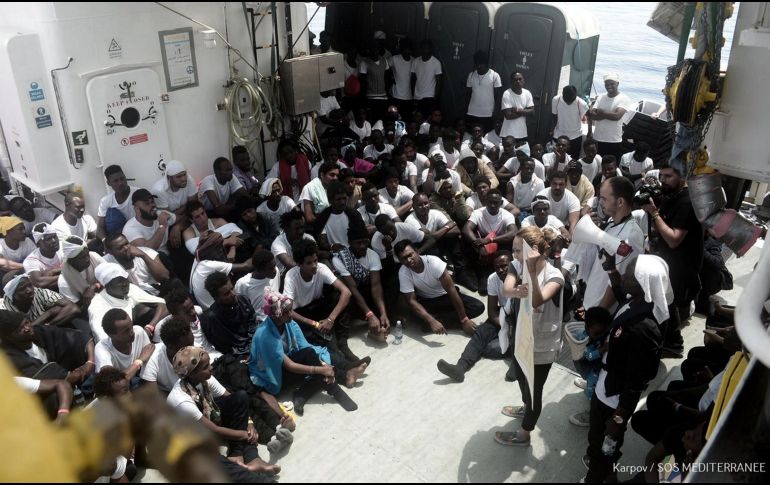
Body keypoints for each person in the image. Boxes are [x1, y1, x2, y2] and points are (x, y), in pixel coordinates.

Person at [582, 255, 667, 483]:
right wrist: (612, 272)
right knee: (596, 439)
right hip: (605, 386)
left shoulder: (645, 328)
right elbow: (622, 300)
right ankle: (606, 472)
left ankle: (598, 476)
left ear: (642, 281)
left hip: (614, 401)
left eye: (629, 273)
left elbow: (637, 378)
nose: (625, 274)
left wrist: (619, 418)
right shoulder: (637, 301)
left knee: (606, 448)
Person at [494, 226, 564, 447]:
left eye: (517, 250)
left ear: (533, 250)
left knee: (534, 390)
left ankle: (524, 434)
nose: (514, 256)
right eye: (514, 250)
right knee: (523, 380)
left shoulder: (555, 276)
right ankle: (526, 407)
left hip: (542, 344)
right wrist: (516, 292)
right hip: (522, 337)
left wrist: (532, 272)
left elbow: (537, 300)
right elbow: (506, 289)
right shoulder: (517, 265)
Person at [167, 346, 280, 476]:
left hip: (208, 418)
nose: (211, 368)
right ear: (191, 373)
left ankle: (245, 457)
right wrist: (244, 434)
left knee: (241, 397)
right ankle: (245, 457)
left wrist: (249, 422)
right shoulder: (181, 400)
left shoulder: (204, 378)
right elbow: (214, 429)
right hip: (191, 438)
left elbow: (233, 399)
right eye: (205, 367)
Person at [249, 287, 359, 416]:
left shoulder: (288, 322)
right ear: (276, 315)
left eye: (291, 310)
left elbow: (305, 347)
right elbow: (289, 365)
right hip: (273, 376)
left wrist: (322, 365)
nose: (291, 314)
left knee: (311, 354)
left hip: (288, 364)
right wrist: (321, 370)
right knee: (316, 366)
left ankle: (302, 394)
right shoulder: (265, 336)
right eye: (286, 312)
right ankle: (337, 387)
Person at [642, 163, 704, 357]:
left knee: (668, 301)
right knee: (664, 300)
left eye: (668, 176)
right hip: (668, 261)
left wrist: (654, 213)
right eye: (661, 176)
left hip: (682, 265)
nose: (663, 181)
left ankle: (674, 344)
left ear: (683, 177)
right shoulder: (670, 195)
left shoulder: (688, 202)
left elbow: (674, 239)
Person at [283, 239, 369, 375]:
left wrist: (330, 319)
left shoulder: (321, 269)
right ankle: (347, 366)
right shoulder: (291, 277)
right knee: (322, 342)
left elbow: (346, 292)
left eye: (316, 260)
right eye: (309, 263)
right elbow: (288, 310)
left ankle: (343, 345)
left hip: (318, 307)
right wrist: (313, 323)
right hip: (302, 316)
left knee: (340, 300)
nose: (314, 265)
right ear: (299, 264)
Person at [436, 250, 512, 382]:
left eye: (505, 265)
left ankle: (518, 364)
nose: (501, 270)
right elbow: (492, 313)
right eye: (497, 267)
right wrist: (506, 327)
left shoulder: (523, 278)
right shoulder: (493, 279)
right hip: (504, 314)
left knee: (494, 348)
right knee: (481, 334)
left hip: (524, 318)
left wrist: (515, 329)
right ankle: (460, 368)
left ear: (513, 264)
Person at [575, 176, 646, 312]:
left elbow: (617, 282)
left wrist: (599, 313)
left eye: (604, 198)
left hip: (605, 312)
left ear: (620, 202)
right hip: (592, 304)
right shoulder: (610, 225)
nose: (600, 202)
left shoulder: (631, 236)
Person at [395, 240, 483, 335]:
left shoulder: (433, 262)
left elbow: (451, 290)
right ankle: (439, 321)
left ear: (417, 251)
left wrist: (464, 319)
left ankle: (442, 321)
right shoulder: (403, 272)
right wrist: (431, 320)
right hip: (428, 301)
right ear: (400, 261)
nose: (408, 260)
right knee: (413, 315)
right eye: (404, 258)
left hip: (446, 296)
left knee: (478, 307)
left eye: (410, 255)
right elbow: (411, 301)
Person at [0, 309, 95, 384]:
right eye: (20, 329)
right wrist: (80, 373)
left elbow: (82, 338)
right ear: (9, 337)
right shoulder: (10, 358)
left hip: (79, 374)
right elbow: (69, 378)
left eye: (26, 323)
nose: (27, 329)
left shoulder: (40, 332)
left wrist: (90, 362)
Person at [332, 222, 391, 342]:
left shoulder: (372, 255)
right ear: (350, 243)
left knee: (388, 288)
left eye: (365, 242)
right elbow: (352, 288)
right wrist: (369, 315)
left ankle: (380, 321)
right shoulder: (339, 258)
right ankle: (369, 323)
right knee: (341, 298)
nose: (363, 246)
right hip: (353, 295)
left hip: (367, 290)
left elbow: (376, 286)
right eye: (358, 243)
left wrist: (382, 312)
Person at [88, 263, 168, 343]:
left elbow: (164, 306)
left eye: (125, 279)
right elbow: (105, 340)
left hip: (138, 331)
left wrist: (149, 328)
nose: (125, 284)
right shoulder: (97, 306)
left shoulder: (130, 289)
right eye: (119, 282)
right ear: (107, 286)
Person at [462, 189, 518, 295]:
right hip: (482, 242)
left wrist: (490, 240)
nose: (493, 205)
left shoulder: (507, 215)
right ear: (486, 201)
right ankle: (482, 275)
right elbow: (466, 229)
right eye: (490, 202)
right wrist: (480, 246)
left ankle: (504, 275)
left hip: (498, 241)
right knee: (466, 240)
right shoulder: (478, 212)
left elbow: (513, 232)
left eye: (496, 202)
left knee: (508, 243)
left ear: (501, 203)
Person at [0, 273, 85, 335]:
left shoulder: (38, 292)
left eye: (29, 285)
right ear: (12, 295)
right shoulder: (3, 310)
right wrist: (49, 313)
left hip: (43, 333)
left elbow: (74, 309)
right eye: (22, 289)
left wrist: (46, 326)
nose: (29, 290)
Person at [153, 286, 221, 362]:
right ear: (175, 315)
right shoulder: (161, 327)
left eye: (192, 307)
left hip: (215, 355)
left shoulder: (198, 311)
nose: (193, 312)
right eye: (188, 312)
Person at [200, 272, 258, 359]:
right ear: (216, 298)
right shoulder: (211, 319)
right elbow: (225, 347)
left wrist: (254, 345)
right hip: (238, 357)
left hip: (255, 345)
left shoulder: (243, 300)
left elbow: (253, 325)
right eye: (227, 293)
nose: (233, 294)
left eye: (232, 288)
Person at [190, 232, 253, 310]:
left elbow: (227, 260)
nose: (221, 251)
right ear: (211, 250)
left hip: (211, 307)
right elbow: (246, 266)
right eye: (219, 249)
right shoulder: (209, 265)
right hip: (218, 309)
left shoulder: (199, 258)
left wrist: (232, 246)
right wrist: (260, 251)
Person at [94, 308, 155, 386]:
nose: (132, 332)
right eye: (125, 331)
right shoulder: (102, 349)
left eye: (131, 326)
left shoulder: (139, 332)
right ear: (111, 335)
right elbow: (112, 384)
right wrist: (139, 361)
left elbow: (150, 361)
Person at [151, 160, 198, 250]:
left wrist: (178, 225)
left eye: (184, 174)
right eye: (179, 176)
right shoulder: (158, 190)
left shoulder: (189, 180)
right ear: (169, 178)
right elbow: (168, 219)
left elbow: (194, 208)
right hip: (168, 225)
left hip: (188, 218)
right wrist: (186, 206)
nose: (184, 179)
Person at [103, 233, 169, 296]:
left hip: (157, 291)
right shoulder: (105, 263)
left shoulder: (147, 252)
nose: (126, 248)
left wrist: (143, 256)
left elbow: (164, 277)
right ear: (110, 252)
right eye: (121, 247)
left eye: (126, 244)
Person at [587, 73, 634, 161]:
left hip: (614, 140)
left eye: (612, 84)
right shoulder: (601, 97)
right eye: (606, 84)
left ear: (617, 84)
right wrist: (608, 115)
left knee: (611, 166)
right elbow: (592, 114)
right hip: (598, 138)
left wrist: (601, 112)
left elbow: (617, 116)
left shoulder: (624, 98)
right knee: (598, 163)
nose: (609, 86)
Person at [141, 315, 193, 393]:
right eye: (187, 347)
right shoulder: (153, 359)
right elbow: (153, 397)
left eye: (192, 344)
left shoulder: (195, 347)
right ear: (171, 347)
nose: (192, 349)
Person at [122, 189, 175, 256]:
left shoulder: (160, 214)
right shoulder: (130, 229)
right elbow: (147, 251)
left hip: (168, 254)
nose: (152, 205)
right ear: (137, 209)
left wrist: (177, 227)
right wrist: (162, 226)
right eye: (147, 203)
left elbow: (182, 218)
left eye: (152, 201)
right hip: (152, 260)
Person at [56, 236, 105, 309]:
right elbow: (76, 308)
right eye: (82, 257)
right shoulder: (64, 282)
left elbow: (113, 275)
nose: (88, 259)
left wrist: (95, 286)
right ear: (71, 260)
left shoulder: (93, 256)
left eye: (87, 254)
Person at [316, 181, 365, 252]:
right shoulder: (323, 217)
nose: (342, 202)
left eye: (344, 198)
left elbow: (362, 236)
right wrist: (332, 247)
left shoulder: (354, 214)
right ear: (330, 200)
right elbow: (322, 241)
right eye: (338, 199)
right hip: (335, 255)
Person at [234, 249, 280, 323]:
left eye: (274, 266)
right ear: (259, 270)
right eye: (270, 268)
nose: (274, 270)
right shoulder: (243, 284)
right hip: (260, 323)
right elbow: (240, 308)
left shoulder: (276, 272)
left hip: (279, 317)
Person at [96, 165, 139, 238]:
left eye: (122, 179)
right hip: (118, 238)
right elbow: (100, 227)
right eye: (115, 181)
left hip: (138, 233)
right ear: (109, 183)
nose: (120, 183)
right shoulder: (105, 201)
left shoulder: (139, 193)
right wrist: (106, 242)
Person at [465, 50, 503, 132]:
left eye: (481, 63)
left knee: (485, 138)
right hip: (472, 113)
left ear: (486, 63)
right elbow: (468, 94)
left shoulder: (494, 76)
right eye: (477, 63)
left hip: (488, 114)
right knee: (471, 136)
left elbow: (498, 96)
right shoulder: (471, 75)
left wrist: (495, 112)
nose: (479, 66)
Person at [550, 85, 588, 160]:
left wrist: (589, 132)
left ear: (575, 96)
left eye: (571, 100)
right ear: (562, 94)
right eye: (567, 99)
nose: (569, 102)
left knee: (573, 160)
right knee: (556, 158)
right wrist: (551, 131)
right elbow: (554, 117)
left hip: (575, 136)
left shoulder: (581, 103)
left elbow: (589, 114)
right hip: (559, 135)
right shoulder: (556, 100)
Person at [23, 223, 63, 290]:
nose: (54, 241)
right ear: (38, 244)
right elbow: (39, 283)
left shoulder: (63, 247)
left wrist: (53, 271)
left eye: (55, 236)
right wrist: (68, 275)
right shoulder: (31, 260)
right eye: (48, 239)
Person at [359, 43, 391, 121]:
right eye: (371, 50)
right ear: (369, 51)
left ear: (378, 51)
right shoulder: (364, 63)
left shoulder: (384, 61)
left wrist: (388, 93)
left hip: (383, 96)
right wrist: (363, 98)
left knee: (382, 120)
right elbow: (362, 82)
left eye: (375, 50)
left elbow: (387, 78)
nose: (373, 52)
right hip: (370, 97)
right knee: (372, 119)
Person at [506, 158, 545, 223]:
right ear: (521, 168)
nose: (529, 171)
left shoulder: (539, 183)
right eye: (527, 168)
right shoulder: (512, 183)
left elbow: (540, 202)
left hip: (533, 212)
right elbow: (509, 202)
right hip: (516, 211)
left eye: (532, 168)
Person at [411, 39, 442, 117]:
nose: (425, 51)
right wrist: (412, 94)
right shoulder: (415, 61)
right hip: (417, 96)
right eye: (423, 48)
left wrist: (435, 98)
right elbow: (413, 79)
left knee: (426, 119)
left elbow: (439, 82)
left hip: (429, 97)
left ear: (430, 49)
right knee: (416, 119)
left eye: (427, 48)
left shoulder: (436, 63)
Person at [500, 72, 534, 143]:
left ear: (523, 80)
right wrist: (524, 112)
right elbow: (508, 116)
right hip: (508, 133)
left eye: (520, 79)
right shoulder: (507, 94)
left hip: (522, 133)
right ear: (511, 82)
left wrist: (518, 110)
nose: (518, 81)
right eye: (515, 79)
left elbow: (532, 112)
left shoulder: (527, 93)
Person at [390, 37, 414, 119]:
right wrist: (391, 78)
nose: (406, 52)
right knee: (395, 119)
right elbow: (385, 70)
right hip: (396, 95)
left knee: (406, 119)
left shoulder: (414, 61)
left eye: (408, 50)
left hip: (409, 97)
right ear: (401, 49)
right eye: (404, 49)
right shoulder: (394, 59)